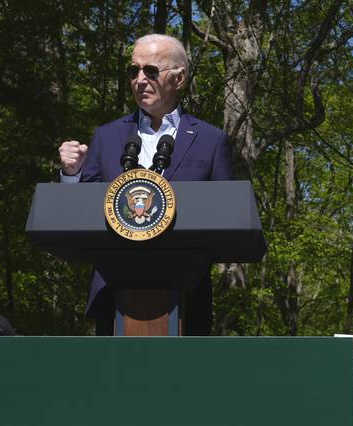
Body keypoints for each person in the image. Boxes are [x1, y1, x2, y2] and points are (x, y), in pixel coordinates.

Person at [58, 33, 235, 335]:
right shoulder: (107, 136)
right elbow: (78, 214)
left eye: (151, 71)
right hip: (113, 294)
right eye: (133, 71)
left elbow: (228, 217)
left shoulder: (210, 140)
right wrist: (72, 174)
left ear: (178, 79)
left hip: (186, 298)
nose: (140, 80)